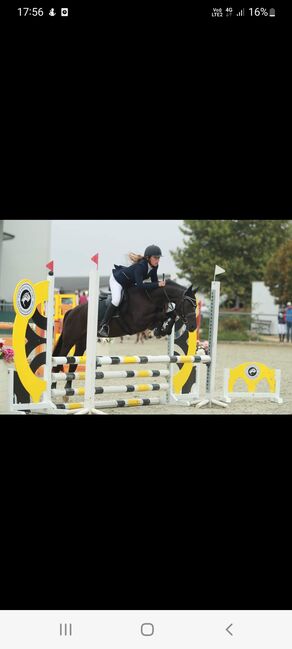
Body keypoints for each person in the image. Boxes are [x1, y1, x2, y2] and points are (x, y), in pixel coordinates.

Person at [98, 245, 166, 336]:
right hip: (117, 281)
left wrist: (160, 286)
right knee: (116, 300)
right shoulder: (141, 266)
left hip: (129, 283)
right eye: (155, 258)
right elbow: (140, 286)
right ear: (148, 258)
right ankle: (104, 325)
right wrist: (158, 284)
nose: (157, 260)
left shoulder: (154, 267)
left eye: (158, 258)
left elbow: (154, 282)